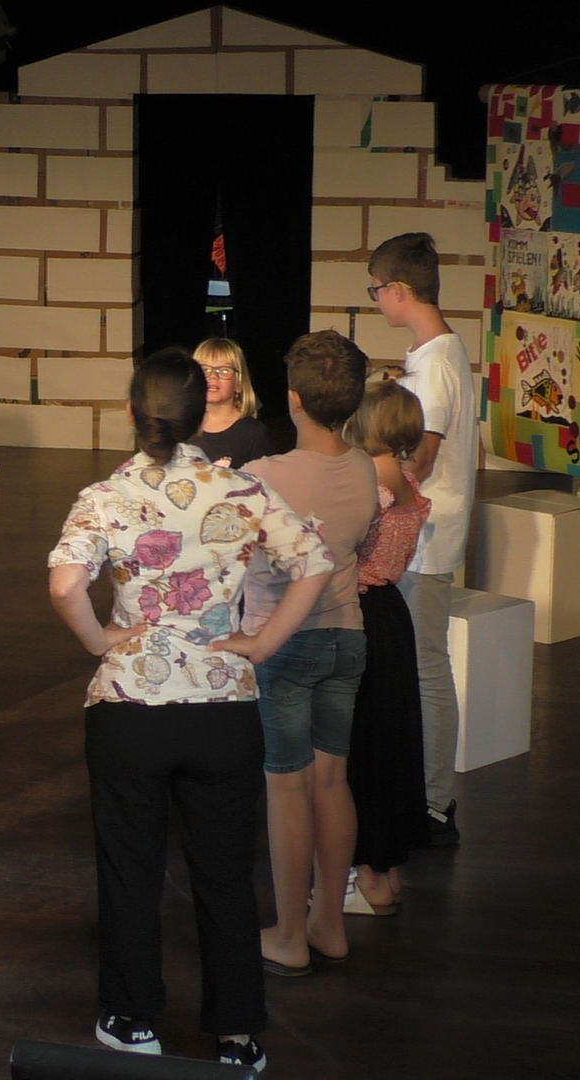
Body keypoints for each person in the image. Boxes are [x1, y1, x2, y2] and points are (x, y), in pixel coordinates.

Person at [47, 347, 335, 1074]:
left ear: (130, 413)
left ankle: (131, 1018)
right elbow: (315, 563)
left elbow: (64, 586)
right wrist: (261, 644)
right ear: (200, 414)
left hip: (129, 709)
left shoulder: (102, 496)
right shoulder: (241, 489)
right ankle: (237, 1034)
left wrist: (100, 641)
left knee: (130, 869)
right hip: (222, 706)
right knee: (226, 875)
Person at [237, 331, 377, 974]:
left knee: (286, 787)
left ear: (293, 398)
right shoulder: (363, 468)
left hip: (285, 642)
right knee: (331, 779)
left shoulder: (264, 477)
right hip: (346, 636)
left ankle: (290, 935)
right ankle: (329, 924)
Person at [371, 232, 477, 845]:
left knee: (427, 668)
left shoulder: (435, 362)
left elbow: (423, 458)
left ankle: (436, 803)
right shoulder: (433, 354)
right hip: (419, 537)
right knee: (416, 665)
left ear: (398, 290)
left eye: (376, 290)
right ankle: (421, 791)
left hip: (426, 540)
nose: (376, 300)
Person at [341, 379, 434, 915]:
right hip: (390, 614)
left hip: (364, 613)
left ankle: (370, 874)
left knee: (366, 745)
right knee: (391, 738)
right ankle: (388, 868)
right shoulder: (405, 476)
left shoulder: (371, 480)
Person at [189, 338, 274, 468]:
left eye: (224, 370)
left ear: (239, 383)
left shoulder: (253, 433)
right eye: (204, 370)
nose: (213, 376)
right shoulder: (183, 427)